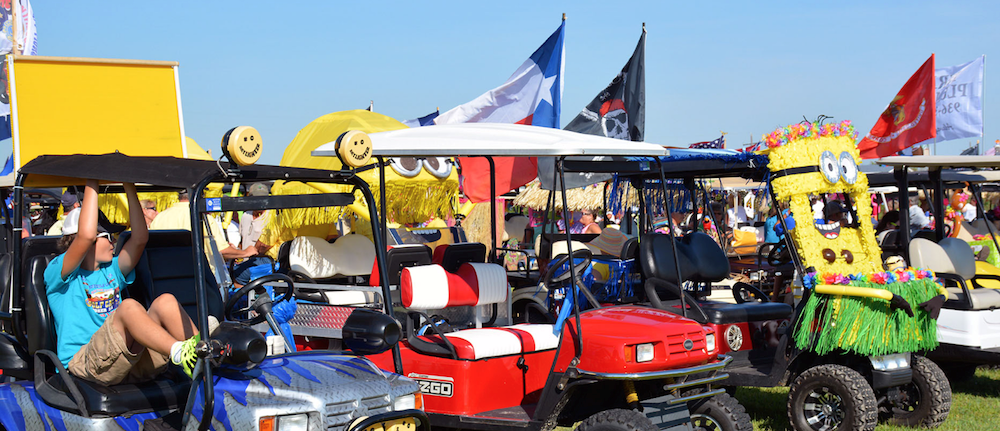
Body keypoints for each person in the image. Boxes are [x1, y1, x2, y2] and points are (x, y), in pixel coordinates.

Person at [45, 180, 200, 385]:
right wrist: (92, 182)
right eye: (107, 236)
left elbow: (140, 238)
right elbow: (85, 235)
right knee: (128, 307)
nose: (113, 241)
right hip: (83, 363)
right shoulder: (59, 273)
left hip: (123, 360)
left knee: (166, 301)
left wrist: (128, 185)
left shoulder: (111, 270)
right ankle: (179, 352)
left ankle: (203, 355)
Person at [151, 189, 256, 261]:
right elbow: (221, 250)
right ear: (200, 195)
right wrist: (245, 253)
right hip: (198, 277)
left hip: (166, 274)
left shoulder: (160, 217)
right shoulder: (203, 218)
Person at [232, 183, 274, 286]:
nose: (260, 201)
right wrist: (237, 252)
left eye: (263, 198)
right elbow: (242, 240)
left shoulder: (271, 216)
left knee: (238, 278)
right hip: (244, 262)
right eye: (257, 198)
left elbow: (266, 244)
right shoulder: (246, 215)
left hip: (261, 263)